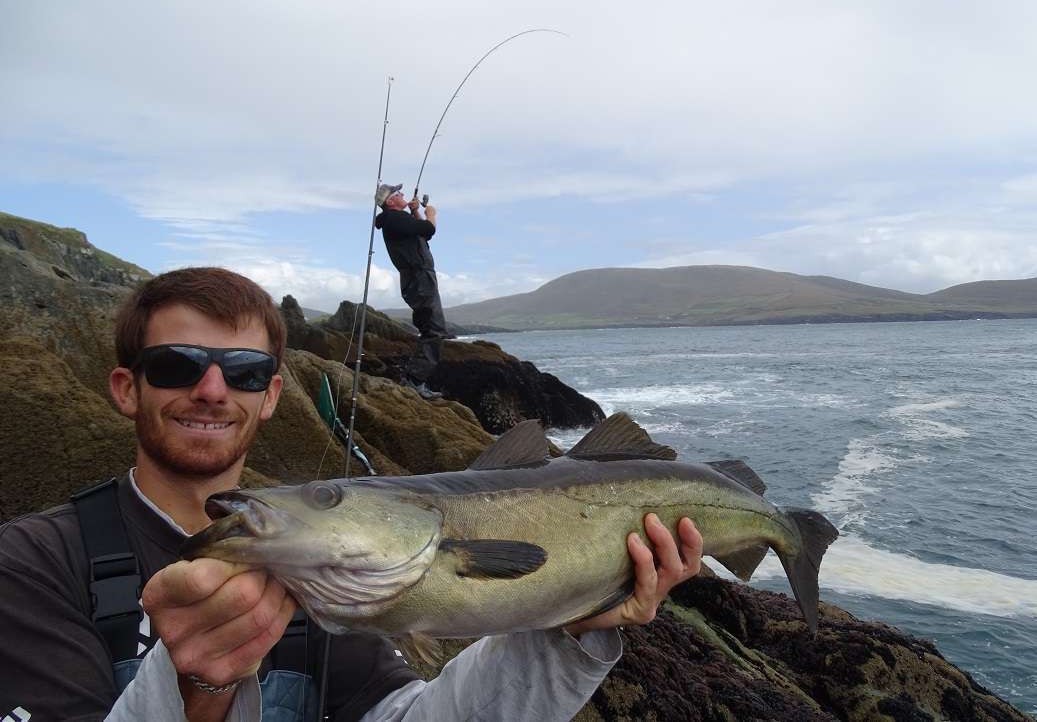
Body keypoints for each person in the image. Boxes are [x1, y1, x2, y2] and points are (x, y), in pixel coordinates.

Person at [0, 266, 704, 722]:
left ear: (274, 395)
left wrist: (570, 632)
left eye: (243, 372)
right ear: (126, 387)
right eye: (177, 365)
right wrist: (192, 692)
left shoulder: (323, 571)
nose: (211, 390)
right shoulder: (34, 563)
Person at [374, 183, 447, 399]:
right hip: (419, 278)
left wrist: (415, 211)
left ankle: (415, 379)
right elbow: (429, 229)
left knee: (430, 327)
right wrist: (430, 213)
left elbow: (422, 235)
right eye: (398, 194)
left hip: (418, 277)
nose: (403, 194)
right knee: (434, 329)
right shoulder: (395, 219)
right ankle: (415, 380)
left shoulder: (398, 220)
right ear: (390, 202)